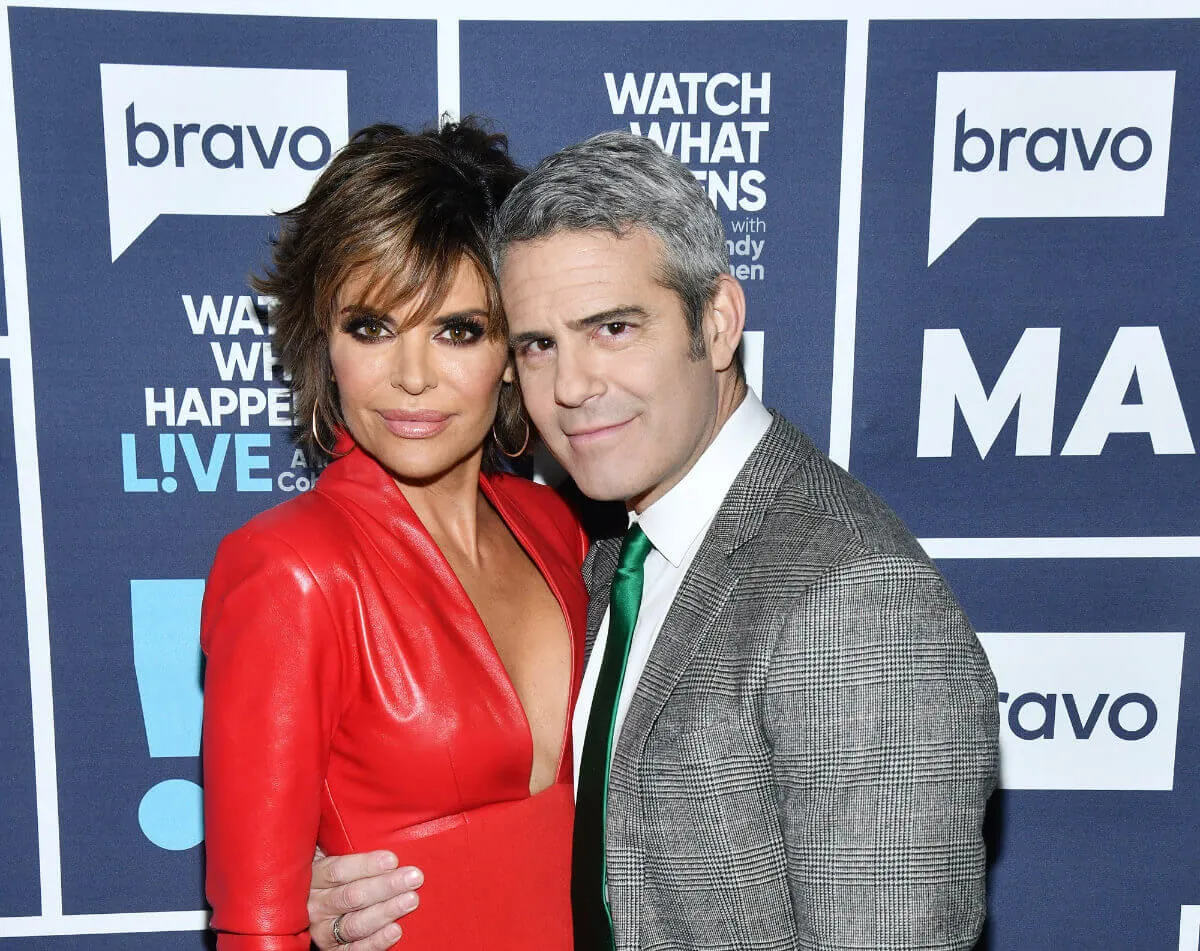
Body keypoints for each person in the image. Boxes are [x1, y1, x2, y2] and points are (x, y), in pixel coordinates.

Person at [306, 131, 1000, 951]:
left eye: (613, 328)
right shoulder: (597, 549)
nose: (571, 386)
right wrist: (348, 883)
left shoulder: (856, 598)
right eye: (539, 344)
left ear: (718, 322)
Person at [200, 121, 590, 951]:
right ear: (324, 343)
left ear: (512, 351)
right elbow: (254, 929)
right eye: (372, 327)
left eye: (458, 329)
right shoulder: (292, 570)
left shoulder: (556, 528)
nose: (412, 376)